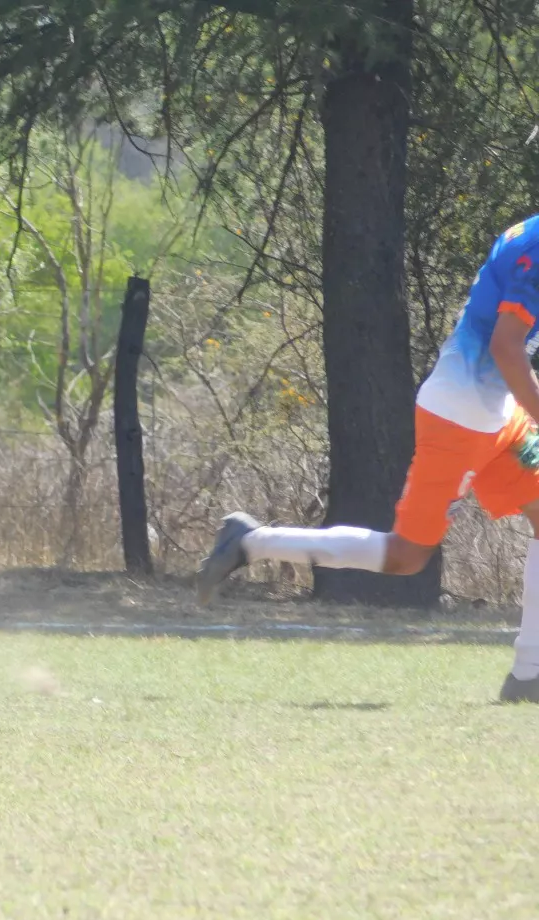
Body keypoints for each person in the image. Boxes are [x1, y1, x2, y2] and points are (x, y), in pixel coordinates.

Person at [198, 215, 539, 703]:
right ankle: (250, 541)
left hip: (497, 414)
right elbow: (506, 348)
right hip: (462, 417)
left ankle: (529, 676)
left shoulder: (530, 230)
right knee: (405, 556)